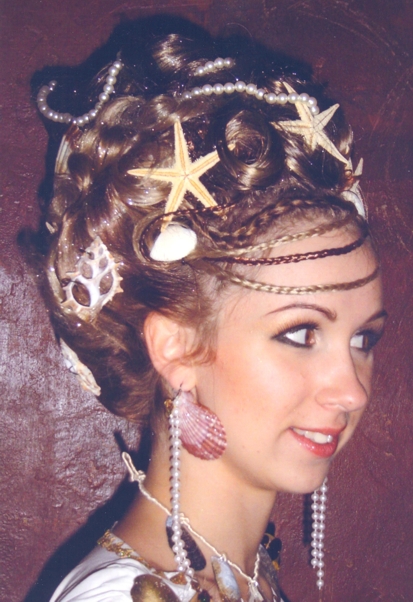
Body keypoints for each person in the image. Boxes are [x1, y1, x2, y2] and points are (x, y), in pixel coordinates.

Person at [36, 17, 386, 602]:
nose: (351, 391)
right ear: (177, 347)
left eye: (363, 340)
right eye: (301, 334)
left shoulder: (242, 578)